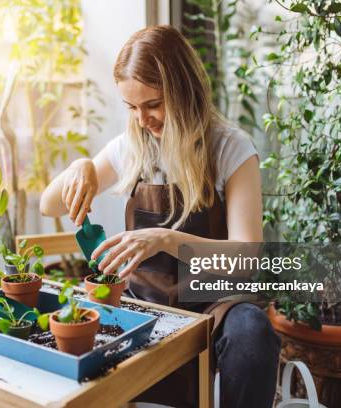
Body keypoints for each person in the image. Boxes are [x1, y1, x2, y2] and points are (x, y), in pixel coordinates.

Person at [40, 25, 280, 408]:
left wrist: (167, 239)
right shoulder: (131, 147)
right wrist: (79, 166)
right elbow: (48, 205)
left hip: (214, 302)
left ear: (184, 91)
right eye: (131, 107)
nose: (142, 119)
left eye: (153, 104)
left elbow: (245, 259)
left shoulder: (230, 148)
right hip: (144, 298)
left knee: (253, 333)